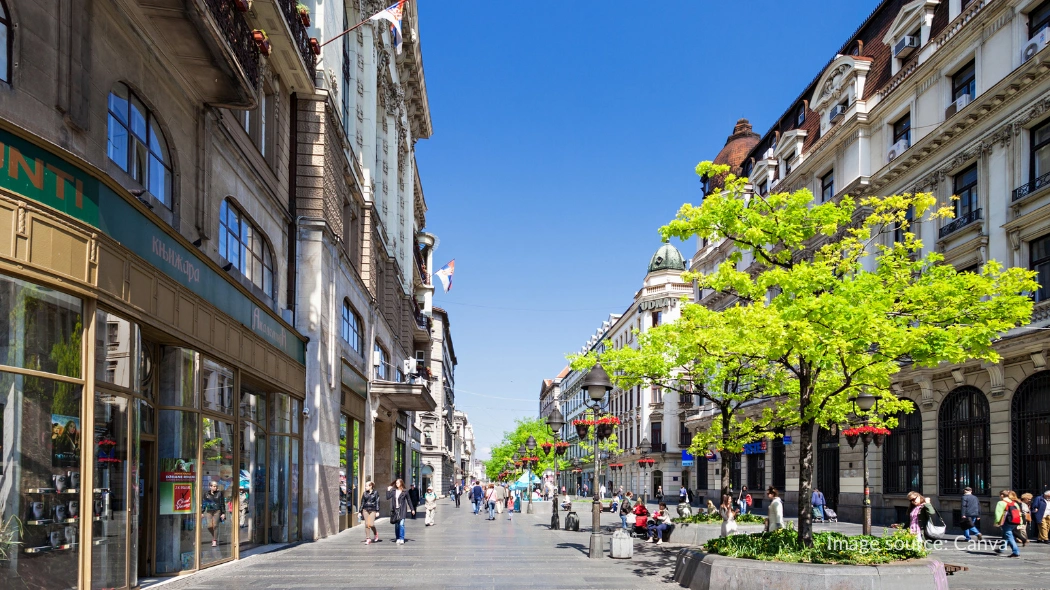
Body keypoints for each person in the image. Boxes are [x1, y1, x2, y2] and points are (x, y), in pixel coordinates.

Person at [994, 489, 1021, 557]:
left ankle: (1016, 552)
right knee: (1006, 535)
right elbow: (1019, 513)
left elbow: (998, 513)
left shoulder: (1001, 502)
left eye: (1000, 495)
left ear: (1002, 495)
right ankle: (1001, 549)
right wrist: (1020, 522)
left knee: (1009, 536)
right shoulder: (1014, 503)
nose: (1000, 497)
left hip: (1006, 522)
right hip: (1015, 522)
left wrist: (997, 522)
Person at [386, 479, 414, 545]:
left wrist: (412, 509)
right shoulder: (393, 491)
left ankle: (402, 538)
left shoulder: (405, 491)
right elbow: (388, 497)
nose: (396, 484)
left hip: (402, 510)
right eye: (396, 483)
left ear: (401, 483)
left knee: (401, 524)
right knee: (397, 525)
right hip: (395, 510)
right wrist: (388, 490)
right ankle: (397, 538)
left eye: (398, 483)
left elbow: (409, 500)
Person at [202, 480, 227, 547]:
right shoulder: (206, 494)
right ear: (210, 487)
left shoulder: (219, 493)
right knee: (209, 526)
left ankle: (214, 540)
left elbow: (222, 503)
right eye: (214, 486)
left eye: (216, 486)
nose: (215, 487)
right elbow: (204, 503)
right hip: (209, 511)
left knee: (215, 525)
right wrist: (202, 512)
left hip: (217, 510)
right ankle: (214, 536)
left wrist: (223, 513)